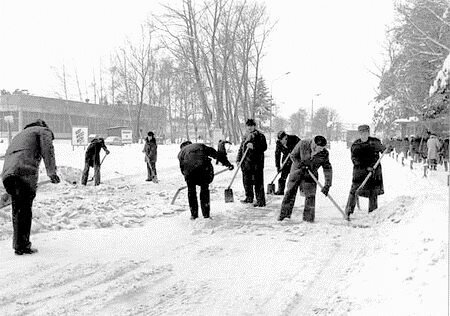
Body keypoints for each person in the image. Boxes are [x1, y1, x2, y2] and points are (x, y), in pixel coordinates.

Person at [2, 119, 60, 255]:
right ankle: (22, 245)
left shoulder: (20, 134)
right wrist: (52, 173)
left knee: (18, 209)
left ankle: (19, 244)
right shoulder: (42, 131)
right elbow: (48, 151)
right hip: (24, 172)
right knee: (25, 209)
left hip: (7, 174)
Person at [278, 135, 332, 222]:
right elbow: (293, 155)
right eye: (320, 148)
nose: (321, 150)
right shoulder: (303, 143)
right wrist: (300, 164)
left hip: (311, 175)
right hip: (297, 171)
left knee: (310, 196)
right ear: (314, 145)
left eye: (323, 148)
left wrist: (327, 184)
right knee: (290, 193)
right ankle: (284, 216)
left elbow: (327, 168)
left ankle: (308, 219)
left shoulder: (324, 153)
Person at [178, 141, 234, 220]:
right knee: (204, 190)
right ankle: (206, 214)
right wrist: (228, 164)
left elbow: (182, 168)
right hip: (203, 169)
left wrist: (188, 178)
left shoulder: (181, 152)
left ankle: (194, 215)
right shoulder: (200, 145)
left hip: (189, 171)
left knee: (191, 192)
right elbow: (216, 155)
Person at [345, 124, 388, 218]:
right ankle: (348, 211)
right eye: (361, 133)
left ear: (368, 133)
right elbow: (355, 160)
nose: (363, 135)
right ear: (359, 134)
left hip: (374, 172)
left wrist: (387, 149)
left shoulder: (374, 142)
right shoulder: (356, 145)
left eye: (365, 133)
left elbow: (383, 149)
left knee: (373, 192)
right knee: (354, 190)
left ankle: (372, 214)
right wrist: (366, 168)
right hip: (360, 171)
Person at [236, 119, 267, 207]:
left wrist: (254, 146)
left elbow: (264, 147)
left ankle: (260, 201)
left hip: (256, 163)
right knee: (247, 182)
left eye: (251, 125)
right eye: (248, 126)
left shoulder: (260, 135)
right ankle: (249, 197)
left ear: (254, 126)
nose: (249, 127)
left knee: (258, 182)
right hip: (246, 163)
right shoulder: (245, 136)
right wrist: (238, 159)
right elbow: (241, 149)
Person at [274, 131, 301, 195]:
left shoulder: (294, 139)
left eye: (283, 139)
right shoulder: (279, 143)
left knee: (295, 177)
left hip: (295, 160)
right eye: (280, 140)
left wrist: (294, 151)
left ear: (286, 137)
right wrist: (278, 167)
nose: (282, 142)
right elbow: (277, 155)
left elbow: (302, 147)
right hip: (286, 160)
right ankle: (280, 190)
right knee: (283, 176)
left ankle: (295, 191)